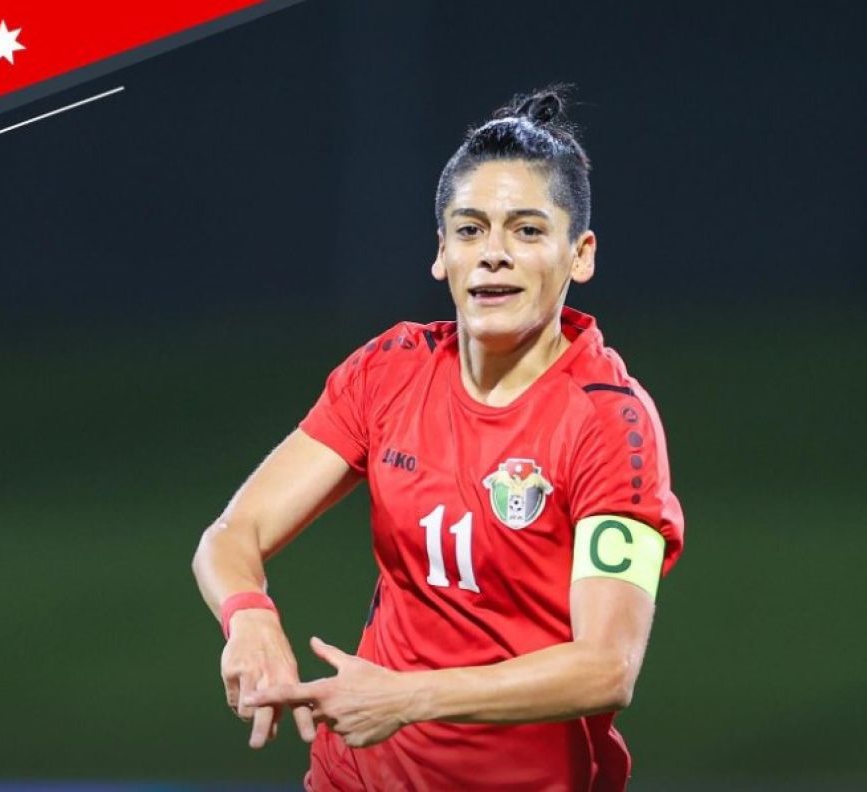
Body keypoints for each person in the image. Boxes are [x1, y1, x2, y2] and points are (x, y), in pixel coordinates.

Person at [192, 85, 684, 791]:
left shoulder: (610, 423)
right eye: (470, 229)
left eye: (527, 231)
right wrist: (249, 619)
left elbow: (607, 667)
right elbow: (232, 535)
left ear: (580, 255)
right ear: (441, 253)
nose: (493, 255)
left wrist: (407, 698)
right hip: (354, 779)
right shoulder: (390, 371)